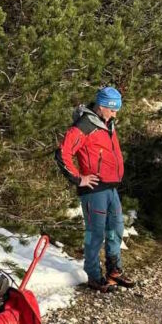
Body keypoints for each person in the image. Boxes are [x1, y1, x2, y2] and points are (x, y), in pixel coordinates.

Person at [55, 86, 136, 293]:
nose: (115, 113)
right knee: (95, 234)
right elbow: (63, 153)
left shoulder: (108, 123)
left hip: (111, 188)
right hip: (94, 190)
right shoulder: (84, 125)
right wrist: (78, 178)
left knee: (116, 230)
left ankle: (114, 271)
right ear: (101, 107)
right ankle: (94, 275)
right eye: (112, 109)